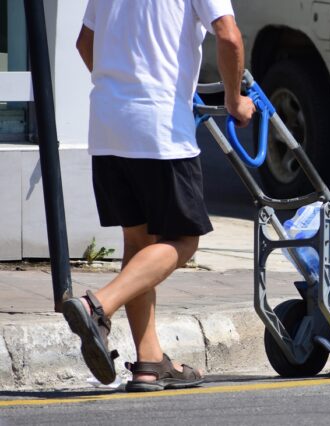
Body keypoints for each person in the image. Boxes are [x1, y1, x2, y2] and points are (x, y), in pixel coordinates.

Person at [63, 0, 255, 392]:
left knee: (138, 241)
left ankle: (149, 361)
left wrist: (119, 90)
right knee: (184, 241)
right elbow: (229, 37)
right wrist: (235, 101)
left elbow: (85, 42)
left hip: (107, 124)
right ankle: (97, 305)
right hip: (160, 131)